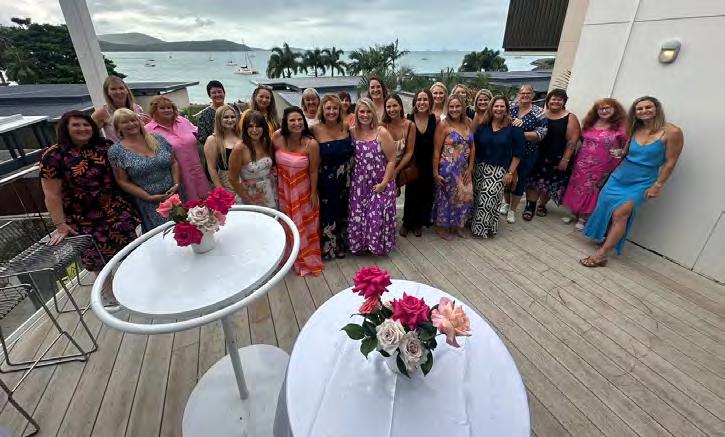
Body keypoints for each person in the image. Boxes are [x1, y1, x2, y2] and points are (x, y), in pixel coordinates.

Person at [581, 96, 684, 267]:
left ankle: (601, 255)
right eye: (639, 108)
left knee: (621, 214)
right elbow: (627, 152)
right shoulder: (635, 128)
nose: (644, 111)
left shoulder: (673, 132)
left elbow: (671, 162)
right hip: (619, 176)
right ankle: (607, 239)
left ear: (657, 108)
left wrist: (658, 185)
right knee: (605, 208)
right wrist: (620, 152)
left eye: (648, 107)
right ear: (635, 112)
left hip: (643, 181)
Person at [40, 111, 141, 282]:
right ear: (65, 128)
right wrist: (60, 225)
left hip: (116, 212)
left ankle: (134, 285)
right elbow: (52, 195)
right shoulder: (53, 156)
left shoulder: (104, 146)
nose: (82, 128)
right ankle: (108, 295)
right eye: (76, 125)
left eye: (86, 124)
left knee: (131, 254)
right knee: (98, 263)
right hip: (83, 220)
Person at [108, 108, 180, 232]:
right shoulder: (116, 152)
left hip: (174, 196)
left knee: (185, 229)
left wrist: (176, 184)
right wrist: (148, 197)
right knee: (164, 235)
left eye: (133, 120)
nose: (131, 124)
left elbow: (174, 163)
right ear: (117, 127)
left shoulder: (158, 139)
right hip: (150, 204)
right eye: (125, 122)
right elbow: (122, 181)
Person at [272, 106, 324, 276]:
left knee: (306, 225)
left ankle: (305, 258)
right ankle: (288, 256)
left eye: (299, 119)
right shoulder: (277, 137)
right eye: (292, 120)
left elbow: (314, 171)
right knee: (286, 223)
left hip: (303, 191)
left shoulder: (311, 144)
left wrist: (314, 192)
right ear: (285, 123)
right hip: (283, 190)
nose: (297, 123)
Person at [562, 98, 628, 230]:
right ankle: (573, 212)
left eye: (607, 108)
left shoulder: (620, 127)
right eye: (601, 108)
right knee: (577, 186)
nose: (604, 111)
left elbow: (628, 144)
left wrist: (621, 151)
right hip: (582, 162)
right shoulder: (590, 123)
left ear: (615, 110)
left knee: (591, 189)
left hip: (602, 165)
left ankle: (583, 218)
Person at [347, 97, 397, 255]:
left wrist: (384, 183)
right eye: (362, 111)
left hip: (380, 182)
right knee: (359, 215)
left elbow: (392, 160)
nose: (365, 115)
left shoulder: (381, 132)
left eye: (368, 111)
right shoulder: (352, 132)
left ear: (373, 113)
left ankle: (376, 246)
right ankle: (361, 246)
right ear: (356, 113)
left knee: (376, 218)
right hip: (359, 183)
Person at [471, 96, 524, 238]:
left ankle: (482, 229)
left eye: (502, 106)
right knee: (477, 197)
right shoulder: (483, 126)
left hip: (498, 170)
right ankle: (472, 223)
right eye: (496, 106)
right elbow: (474, 146)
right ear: (491, 108)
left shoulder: (514, 128)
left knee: (488, 200)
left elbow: (518, 154)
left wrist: (510, 173)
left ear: (507, 109)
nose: (499, 109)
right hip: (479, 167)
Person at [524, 89, 581, 220]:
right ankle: (530, 206)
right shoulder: (540, 114)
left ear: (564, 102)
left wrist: (565, 159)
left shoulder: (570, 117)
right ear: (548, 100)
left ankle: (542, 205)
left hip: (557, 157)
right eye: (553, 99)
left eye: (559, 99)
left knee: (550, 183)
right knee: (532, 182)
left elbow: (572, 141)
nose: (556, 102)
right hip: (537, 154)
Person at [312, 95, 355, 259]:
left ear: (340, 110)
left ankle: (342, 244)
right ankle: (329, 247)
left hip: (347, 178)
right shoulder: (314, 129)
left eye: (335, 108)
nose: (331, 112)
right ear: (322, 110)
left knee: (344, 211)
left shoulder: (346, 127)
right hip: (326, 180)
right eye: (328, 108)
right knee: (328, 213)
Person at [145, 95, 210, 201]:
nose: (167, 110)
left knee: (206, 202)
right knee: (185, 205)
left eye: (169, 107)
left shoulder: (183, 121)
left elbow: (200, 134)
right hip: (175, 177)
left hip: (197, 172)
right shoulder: (148, 130)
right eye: (162, 108)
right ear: (154, 110)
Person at [501, 84, 548, 224]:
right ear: (518, 94)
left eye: (528, 93)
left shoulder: (539, 112)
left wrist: (519, 134)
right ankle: (506, 203)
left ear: (533, 95)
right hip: (508, 151)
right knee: (506, 179)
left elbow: (541, 133)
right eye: (523, 93)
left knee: (520, 181)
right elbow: (500, 122)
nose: (525, 95)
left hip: (527, 153)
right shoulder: (510, 108)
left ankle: (512, 210)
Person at [432, 94, 475, 239]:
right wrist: (435, 172)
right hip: (447, 168)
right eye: (451, 106)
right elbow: (436, 150)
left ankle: (458, 225)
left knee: (464, 197)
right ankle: (441, 227)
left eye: (457, 106)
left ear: (462, 107)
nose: (454, 109)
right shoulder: (443, 125)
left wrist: (470, 168)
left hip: (463, 168)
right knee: (446, 199)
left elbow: (473, 147)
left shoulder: (468, 122)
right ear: (447, 108)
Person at [403, 89, 437, 237]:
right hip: (412, 162)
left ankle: (419, 223)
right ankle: (407, 223)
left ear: (430, 102)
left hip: (428, 162)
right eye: (419, 99)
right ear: (415, 102)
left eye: (425, 99)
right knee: (410, 193)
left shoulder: (434, 119)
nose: (422, 102)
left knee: (425, 193)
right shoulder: (408, 119)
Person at [228, 110, 278, 209]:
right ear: (245, 128)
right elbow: (232, 179)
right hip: (250, 195)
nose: (254, 130)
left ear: (264, 127)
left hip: (269, 192)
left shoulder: (266, 143)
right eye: (250, 126)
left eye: (258, 126)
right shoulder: (239, 148)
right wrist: (249, 200)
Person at [91, 75, 149, 143]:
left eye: (121, 88)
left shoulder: (137, 108)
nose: (118, 92)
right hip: (117, 148)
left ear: (126, 90)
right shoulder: (102, 112)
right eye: (113, 89)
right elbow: (89, 134)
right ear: (107, 92)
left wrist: (147, 124)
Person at [203, 105, 243, 200]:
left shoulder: (241, 136)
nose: (230, 120)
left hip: (245, 180)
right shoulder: (213, 140)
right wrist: (220, 189)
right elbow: (211, 168)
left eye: (232, 117)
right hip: (227, 182)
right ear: (219, 119)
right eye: (226, 117)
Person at [382, 94, 416, 200]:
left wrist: (396, 170)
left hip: (401, 167)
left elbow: (409, 152)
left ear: (400, 106)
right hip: (383, 168)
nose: (392, 109)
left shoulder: (410, 125)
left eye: (395, 106)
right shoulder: (382, 126)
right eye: (388, 107)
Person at [196, 80, 236, 146]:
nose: (217, 95)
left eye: (219, 92)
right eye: (214, 93)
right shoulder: (204, 115)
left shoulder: (233, 110)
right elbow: (202, 138)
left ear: (224, 93)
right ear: (209, 95)